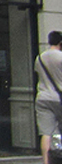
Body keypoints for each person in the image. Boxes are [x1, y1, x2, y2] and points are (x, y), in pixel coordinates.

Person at [36, 31, 62, 164]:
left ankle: (46, 162)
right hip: (59, 98)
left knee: (46, 133)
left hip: (43, 97)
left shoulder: (39, 58)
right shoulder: (60, 57)